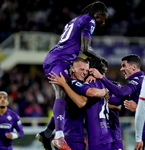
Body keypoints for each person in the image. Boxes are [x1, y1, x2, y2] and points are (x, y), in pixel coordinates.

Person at [36, 1, 108, 150]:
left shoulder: (76, 19)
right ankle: (59, 136)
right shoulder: (90, 20)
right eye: (104, 19)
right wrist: (100, 58)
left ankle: (48, 132)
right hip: (59, 59)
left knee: (67, 95)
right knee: (61, 92)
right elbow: (85, 48)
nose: (103, 22)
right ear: (99, 14)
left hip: (59, 58)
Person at [49, 56, 113, 150]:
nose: (84, 73)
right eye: (82, 69)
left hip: (73, 137)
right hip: (70, 138)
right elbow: (82, 102)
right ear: (73, 68)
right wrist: (104, 91)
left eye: (87, 70)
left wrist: (48, 131)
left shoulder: (75, 84)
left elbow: (58, 112)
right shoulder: (73, 83)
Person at [89, 54, 145, 148]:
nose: (121, 69)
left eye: (124, 65)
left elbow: (121, 92)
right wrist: (101, 93)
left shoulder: (139, 80)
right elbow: (118, 100)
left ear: (134, 67)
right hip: (142, 128)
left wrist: (101, 77)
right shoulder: (137, 83)